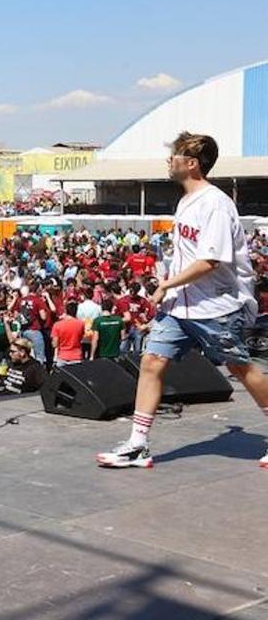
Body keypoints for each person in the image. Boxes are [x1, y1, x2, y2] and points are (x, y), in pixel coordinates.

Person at [99, 133, 268, 469]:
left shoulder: (216, 204)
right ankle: (137, 445)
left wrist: (165, 285)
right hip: (180, 307)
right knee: (151, 362)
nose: (169, 160)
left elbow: (210, 261)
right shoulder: (186, 201)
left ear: (191, 163)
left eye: (174, 155)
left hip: (217, 306)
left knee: (241, 367)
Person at [50, 302, 85, 367]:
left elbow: (55, 343)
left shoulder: (57, 325)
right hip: (76, 356)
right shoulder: (81, 324)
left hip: (62, 356)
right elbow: (81, 337)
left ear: (66, 311)